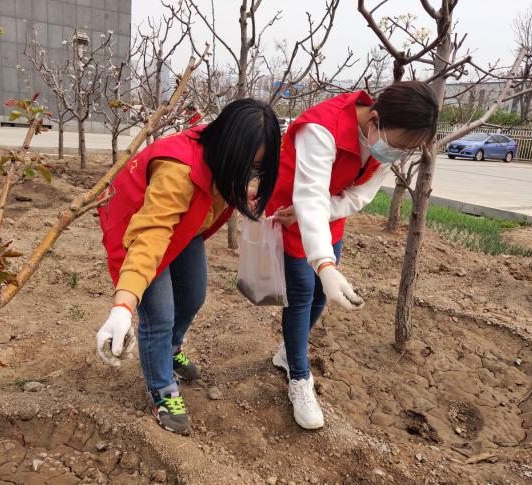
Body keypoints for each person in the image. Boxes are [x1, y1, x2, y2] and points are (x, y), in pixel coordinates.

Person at [96, 98, 281, 436]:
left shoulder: (220, 152)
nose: (249, 175)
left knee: (193, 295)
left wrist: (244, 194)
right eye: (247, 168)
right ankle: (161, 388)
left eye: (255, 170)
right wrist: (122, 307)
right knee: (159, 315)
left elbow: (217, 186)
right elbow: (150, 236)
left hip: (185, 225)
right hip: (138, 230)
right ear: (229, 149)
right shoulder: (178, 171)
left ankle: (169, 349)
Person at [265, 81, 439, 430]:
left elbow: (359, 196)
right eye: (398, 145)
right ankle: (299, 377)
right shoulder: (321, 129)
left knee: (320, 295)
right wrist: (323, 262)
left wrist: (326, 257)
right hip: (289, 211)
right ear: (374, 119)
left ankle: (287, 352)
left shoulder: (384, 142)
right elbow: (309, 196)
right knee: (302, 293)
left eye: (406, 150)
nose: (396, 155)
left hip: (329, 216)